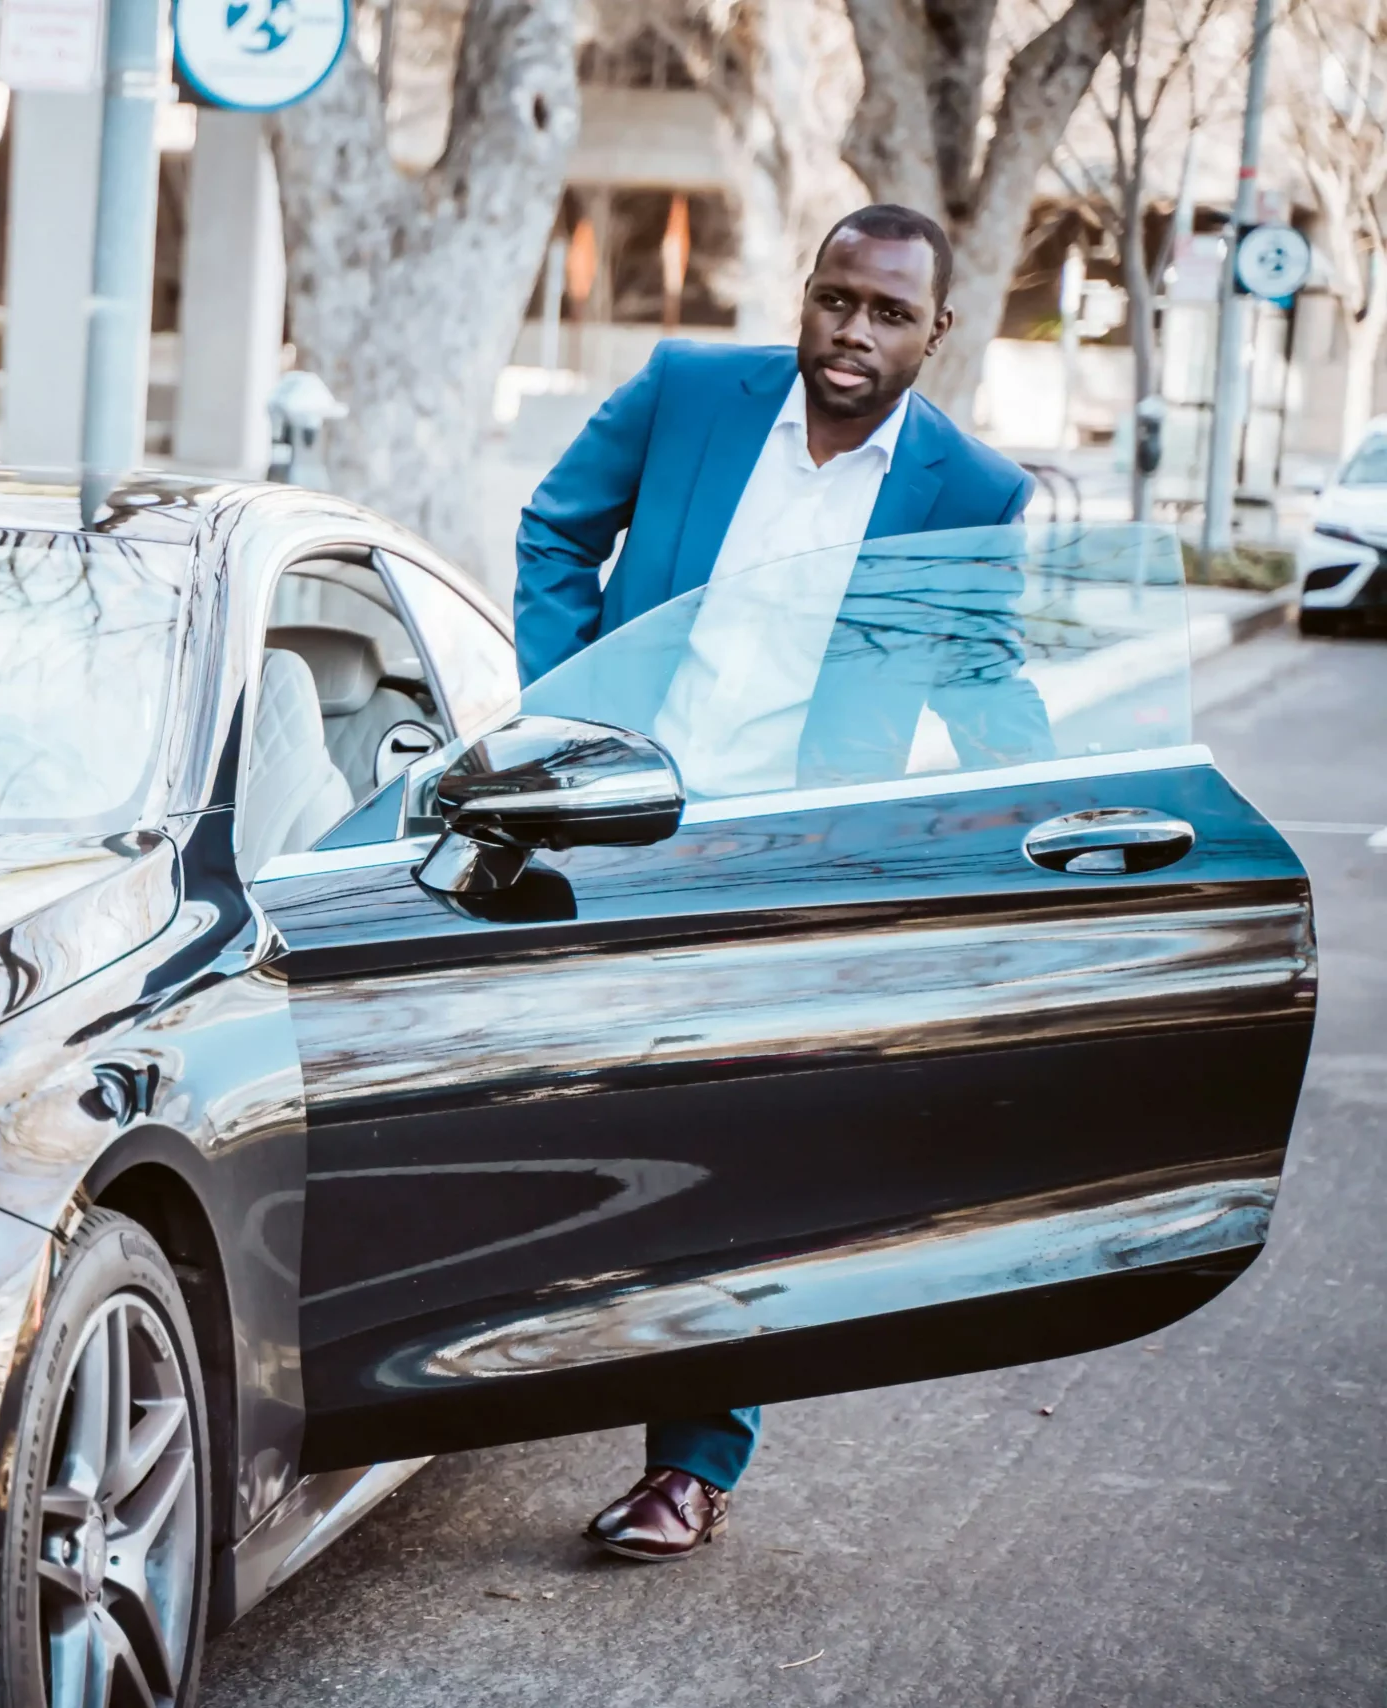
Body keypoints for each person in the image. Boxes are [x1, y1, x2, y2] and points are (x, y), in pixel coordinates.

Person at [513, 202, 1037, 1564]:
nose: (851, 335)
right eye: (835, 301)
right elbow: (555, 531)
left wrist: (1067, 816)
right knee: (552, 1123)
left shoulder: (972, 494)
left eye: (885, 315)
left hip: (786, 865)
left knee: (735, 1161)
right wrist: (564, 717)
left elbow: (982, 671)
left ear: (938, 333)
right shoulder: (688, 393)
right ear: (807, 296)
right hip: (611, 824)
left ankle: (689, 1464)